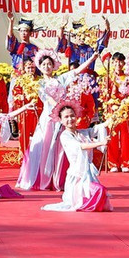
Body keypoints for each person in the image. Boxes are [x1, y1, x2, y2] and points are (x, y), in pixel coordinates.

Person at [16, 48, 96, 191]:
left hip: (62, 117)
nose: (47, 67)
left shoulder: (61, 79)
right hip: (49, 119)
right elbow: (48, 99)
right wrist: (61, 109)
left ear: (53, 66)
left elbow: (77, 71)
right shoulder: (39, 84)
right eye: (44, 64)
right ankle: (44, 179)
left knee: (61, 148)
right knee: (46, 147)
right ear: (40, 67)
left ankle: (59, 179)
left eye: (49, 64)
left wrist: (92, 59)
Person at [41, 103, 112, 212]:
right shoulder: (65, 136)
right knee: (97, 191)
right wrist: (101, 143)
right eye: (66, 117)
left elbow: (97, 128)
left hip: (88, 173)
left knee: (99, 193)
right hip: (77, 174)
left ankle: (88, 205)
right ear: (61, 120)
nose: (70, 119)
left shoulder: (82, 133)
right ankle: (85, 205)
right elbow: (81, 146)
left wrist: (114, 117)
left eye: (72, 116)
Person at [101, 52, 129, 172]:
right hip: (112, 110)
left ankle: (126, 163)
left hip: (125, 110)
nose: (118, 64)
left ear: (124, 63)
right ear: (112, 63)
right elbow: (103, 95)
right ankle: (113, 163)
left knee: (126, 137)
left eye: (120, 61)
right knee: (112, 137)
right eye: (116, 62)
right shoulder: (107, 77)